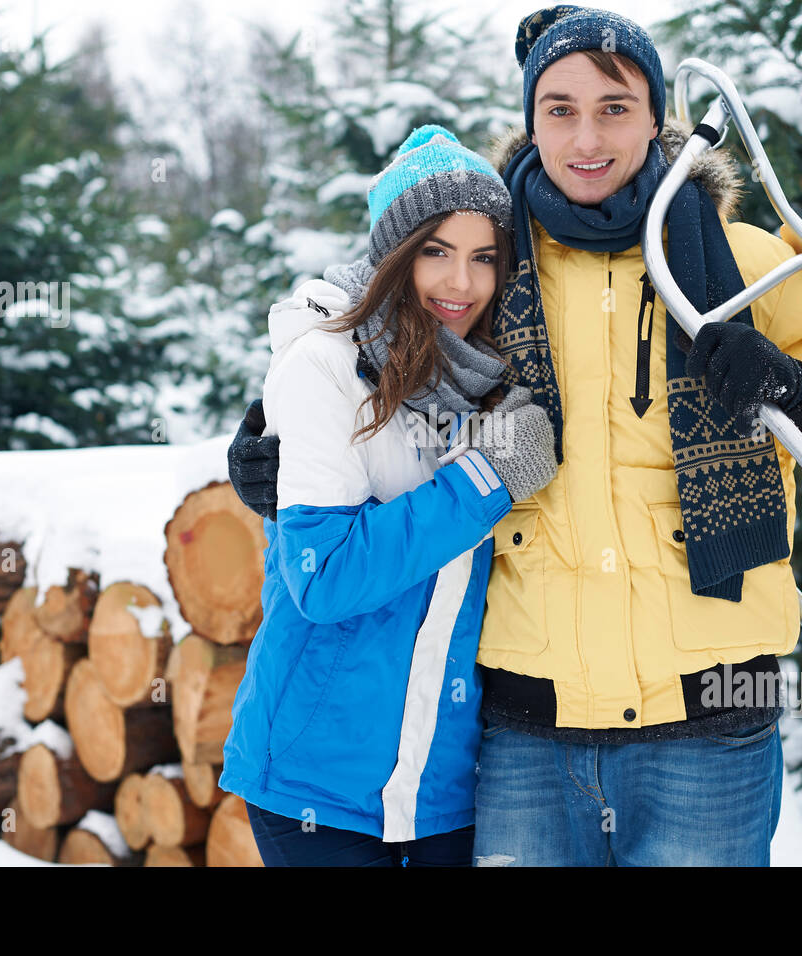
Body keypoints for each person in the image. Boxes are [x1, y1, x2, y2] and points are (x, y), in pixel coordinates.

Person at [231, 7, 802, 867]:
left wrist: (800, 389)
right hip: (528, 737)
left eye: (614, 106)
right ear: (530, 119)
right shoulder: (495, 262)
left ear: (656, 113)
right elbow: (366, 319)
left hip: (707, 732)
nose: (586, 135)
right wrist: (273, 430)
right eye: (559, 109)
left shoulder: (745, 264)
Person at [218, 124, 559, 867]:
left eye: (483, 258)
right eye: (434, 252)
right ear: (392, 256)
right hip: (319, 779)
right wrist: (485, 480)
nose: (460, 284)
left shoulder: (495, 376)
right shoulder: (326, 366)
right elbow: (325, 576)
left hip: (446, 786)